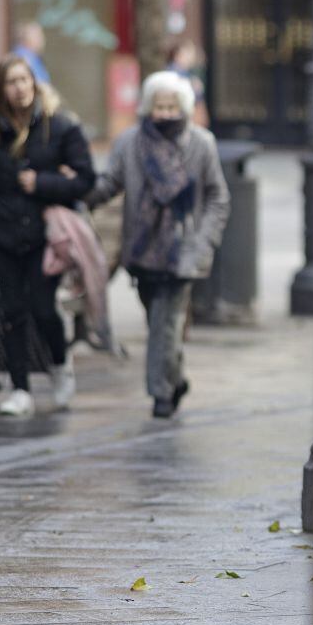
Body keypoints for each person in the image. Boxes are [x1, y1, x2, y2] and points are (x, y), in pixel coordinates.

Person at [85, 71, 229, 418]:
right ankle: (175, 377)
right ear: (148, 107)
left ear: (183, 107)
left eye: (171, 105)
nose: (165, 112)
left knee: (166, 321)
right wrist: (73, 189)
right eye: (158, 106)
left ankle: (161, 394)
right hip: (142, 248)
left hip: (184, 249)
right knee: (161, 322)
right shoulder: (129, 142)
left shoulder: (201, 144)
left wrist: (204, 241)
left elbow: (217, 197)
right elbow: (109, 184)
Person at [0, 55, 95, 417]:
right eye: (11, 82)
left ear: (34, 83)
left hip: (44, 236)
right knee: (12, 310)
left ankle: (60, 366)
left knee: (43, 307)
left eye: (24, 80)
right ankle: (20, 388)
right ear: (1, 90)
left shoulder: (59, 127)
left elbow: (86, 181)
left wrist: (43, 183)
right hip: (3, 234)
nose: (19, 88)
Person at [166, 40, 209, 127]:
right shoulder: (174, 73)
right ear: (177, 55)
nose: (191, 57)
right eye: (188, 53)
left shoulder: (186, 73)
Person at [12, 21, 51, 86]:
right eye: (38, 36)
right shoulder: (24, 58)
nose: (42, 40)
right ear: (27, 38)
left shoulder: (33, 57)